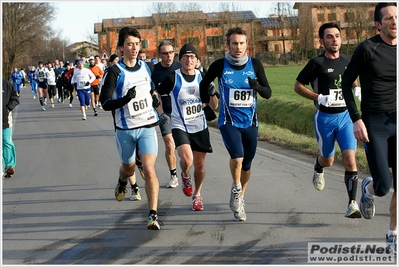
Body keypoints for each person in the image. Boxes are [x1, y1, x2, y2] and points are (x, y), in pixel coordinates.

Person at [199, 26, 272, 221]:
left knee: (247, 165)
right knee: (237, 158)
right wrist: (206, 103)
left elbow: (268, 92)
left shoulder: (255, 65)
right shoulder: (220, 65)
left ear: (247, 44)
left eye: (241, 43)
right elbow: (203, 84)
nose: (238, 47)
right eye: (234, 43)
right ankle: (236, 187)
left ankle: (240, 198)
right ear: (228, 45)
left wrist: (256, 86)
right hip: (228, 121)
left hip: (250, 122)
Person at [342, 2, 397, 251]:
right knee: (384, 186)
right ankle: (368, 187)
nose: (394, 22)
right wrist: (356, 119)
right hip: (374, 122)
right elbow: (345, 84)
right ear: (378, 24)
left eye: (397, 17)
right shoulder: (368, 49)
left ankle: (393, 234)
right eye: (388, 19)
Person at [294, 22, 362, 219]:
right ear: (321, 41)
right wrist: (318, 97)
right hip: (324, 118)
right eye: (330, 37)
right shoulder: (316, 63)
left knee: (350, 159)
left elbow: (353, 79)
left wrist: (357, 88)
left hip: (346, 117)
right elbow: (298, 86)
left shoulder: (349, 61)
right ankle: (318, 166)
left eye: (337, 36)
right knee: (329, 160)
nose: (334, 40)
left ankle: (352, 203)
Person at [99, 26, 163, 230]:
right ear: (120, 48)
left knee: (150, 169)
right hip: (125, 129)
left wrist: (154, 99)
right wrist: (125, 99)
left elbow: (152, 89)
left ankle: (153, 215)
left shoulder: (147, 68)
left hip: (146, 126)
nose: (134, 48)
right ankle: (122, 180)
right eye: (129, 44)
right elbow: (105, 102)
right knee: (128, 168)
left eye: (137, 44)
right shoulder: (115, 72)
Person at [157, 43, 218, 211]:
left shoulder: (203, 77)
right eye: (185, 57)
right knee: (188, 160)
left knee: (199, 166)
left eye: (192, 57)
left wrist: (212, 92)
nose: (189, 60)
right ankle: (184, 174)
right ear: (180, 59)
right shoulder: (172, 77)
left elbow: (214, 106)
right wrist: (161, 113)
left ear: (197, 60)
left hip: (200, 125)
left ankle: (197, 195)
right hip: (179, 125)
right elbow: (156, 95)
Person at [152, 40, 182, 188]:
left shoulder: (180, 67)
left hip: (182, 113)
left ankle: (186, 172)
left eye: (171, 52)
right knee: (170, 145)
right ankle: (174, 175)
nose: (169, 56)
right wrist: (161, 113)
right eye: (165, 53)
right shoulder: (154, 71)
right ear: (160, 55)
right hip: (165, 112)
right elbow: (154, 95)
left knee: (184, 149)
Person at [2, 79, 20, 178]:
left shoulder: (6, 84)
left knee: (6, 141)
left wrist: (8, 109)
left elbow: (15, 98)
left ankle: (9, 166)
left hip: (5, 119)